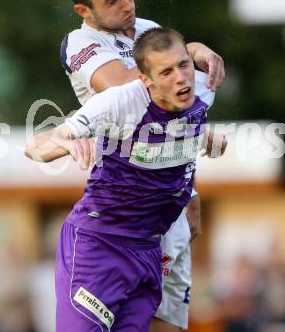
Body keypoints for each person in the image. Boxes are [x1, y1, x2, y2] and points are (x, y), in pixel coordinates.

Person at [59, 0, 225, 331]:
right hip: (126, 209)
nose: (127, 4)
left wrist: (192, 192)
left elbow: (173, 115)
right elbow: (129, 90)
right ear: (84, 10)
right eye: (111, 0)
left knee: (170, 319)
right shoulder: (81, 45)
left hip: (172, 193)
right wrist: (191, 51)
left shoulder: (148, 28)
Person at [26, 27, 223, 331]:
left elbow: (178, 141)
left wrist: (204, 155)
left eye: (184, 65)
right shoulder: (119, 102)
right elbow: (34, 147)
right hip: (100, 246)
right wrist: (64, 143)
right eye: (166, 72)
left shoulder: (203, 89)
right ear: (145, 80)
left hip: (148, 252)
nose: (181, 78)